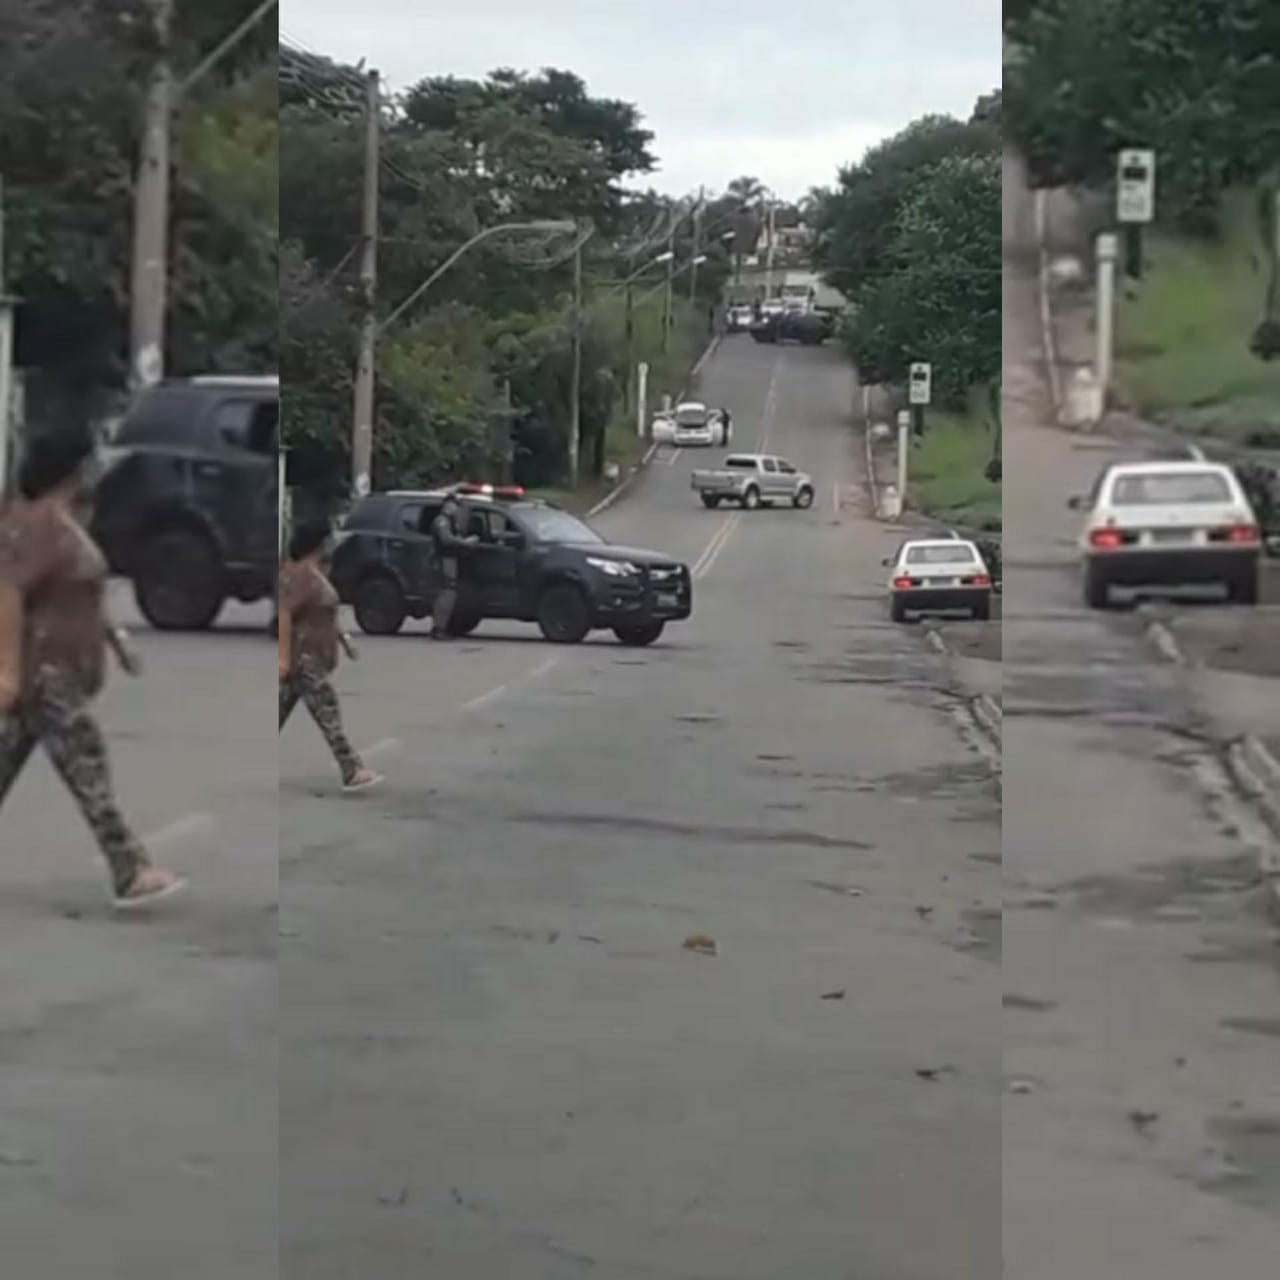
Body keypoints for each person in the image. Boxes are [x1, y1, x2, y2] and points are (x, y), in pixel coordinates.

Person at [0, 425, 185, 908]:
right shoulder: (37, 523)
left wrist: (117, 641)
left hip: (61, 670)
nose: (94, 472)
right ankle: (129, 869)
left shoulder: (68, 519)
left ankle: (129, 868)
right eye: (88, 463)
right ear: (70, 470)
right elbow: (8, 593)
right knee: (87, 763)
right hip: (45, 672)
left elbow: (82, 589)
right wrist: (8, 672)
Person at [278, 519, 381, 792]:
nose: (332, 546)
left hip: (315, 656)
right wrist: (284, 659)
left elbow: (326, 613)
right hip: (304, 658)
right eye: (328, 541)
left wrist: (345, 641)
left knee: (279, 709)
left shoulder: (318, 572)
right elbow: (285, 614)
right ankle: (352, 770)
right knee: (327, 709)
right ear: (318, 544)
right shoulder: (302, 575)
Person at [429, 493, 478, 641]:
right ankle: (439, 629)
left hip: (450, 561)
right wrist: (466, 542)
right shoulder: (441, 521)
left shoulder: (451, 521)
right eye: (453, 505)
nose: (455, 508)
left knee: (450, 593)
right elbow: (446, 539)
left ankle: (443, 627)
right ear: (447, 505)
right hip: (444, 561)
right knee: (446, 594)